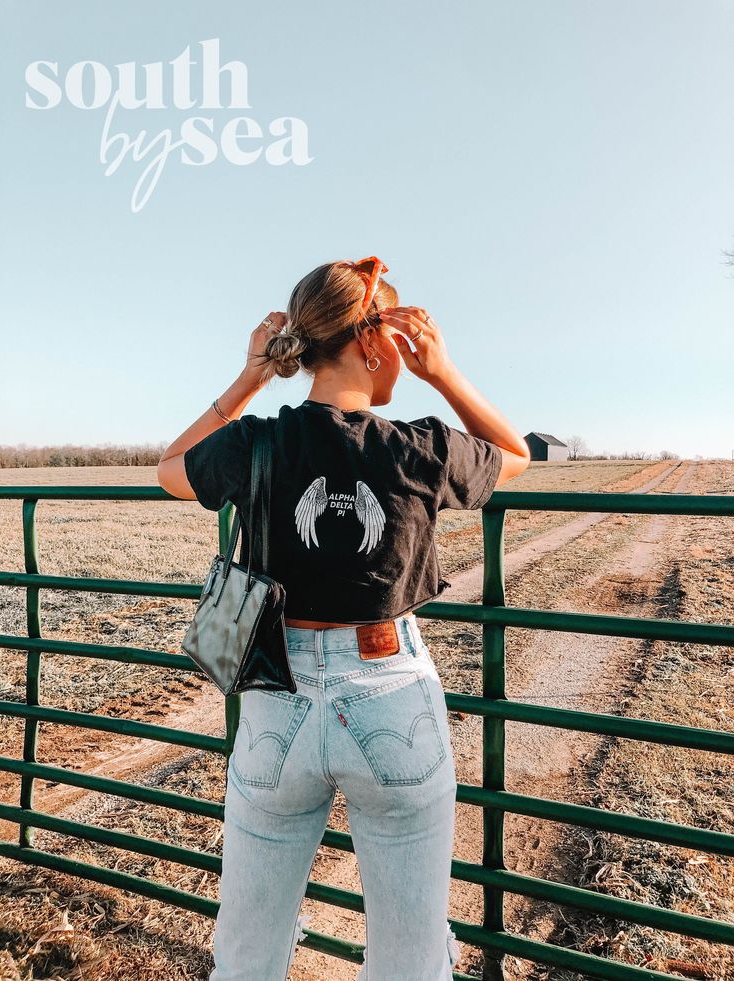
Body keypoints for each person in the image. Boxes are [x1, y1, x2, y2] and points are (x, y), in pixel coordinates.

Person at [157, 257, 530, 980]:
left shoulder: (256, 441)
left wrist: (253, 377)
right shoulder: (418, 446)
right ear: (371, 342)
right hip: (390, 693)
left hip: (275, 698)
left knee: (248, 954)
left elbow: (171, 466)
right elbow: (515, 452)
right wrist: (443, 373)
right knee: (411, 958)